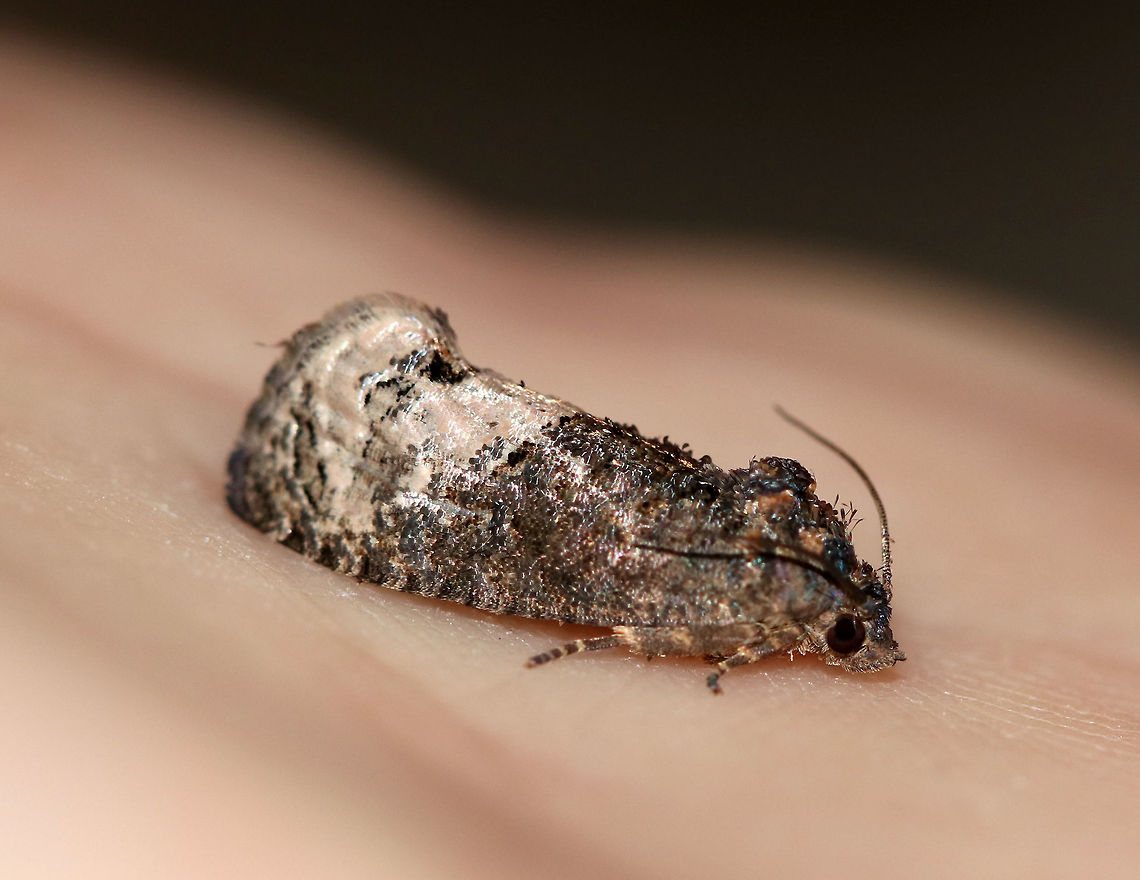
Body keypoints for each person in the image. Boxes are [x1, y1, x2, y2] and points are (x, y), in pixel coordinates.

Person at [1, 34, 1137, 879]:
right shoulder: (737, 599)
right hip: (480, 494)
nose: (862, 642)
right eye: (850, 632)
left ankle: (392, 403)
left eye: (853, 627)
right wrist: (656, 634)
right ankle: (361, 429)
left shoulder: (780, 575)